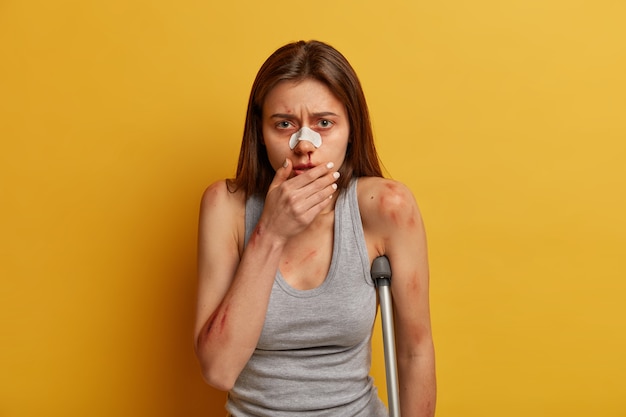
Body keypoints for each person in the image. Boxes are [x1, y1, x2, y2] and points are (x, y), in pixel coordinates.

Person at [194, 40, 436, 417]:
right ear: (260, 132)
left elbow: (414, 350)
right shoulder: (224, 207)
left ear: (351, 130)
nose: (304, 145)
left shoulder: (387, 207)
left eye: (324, 123)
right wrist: (270, 232)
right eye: (284, 124)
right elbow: (218, 370)